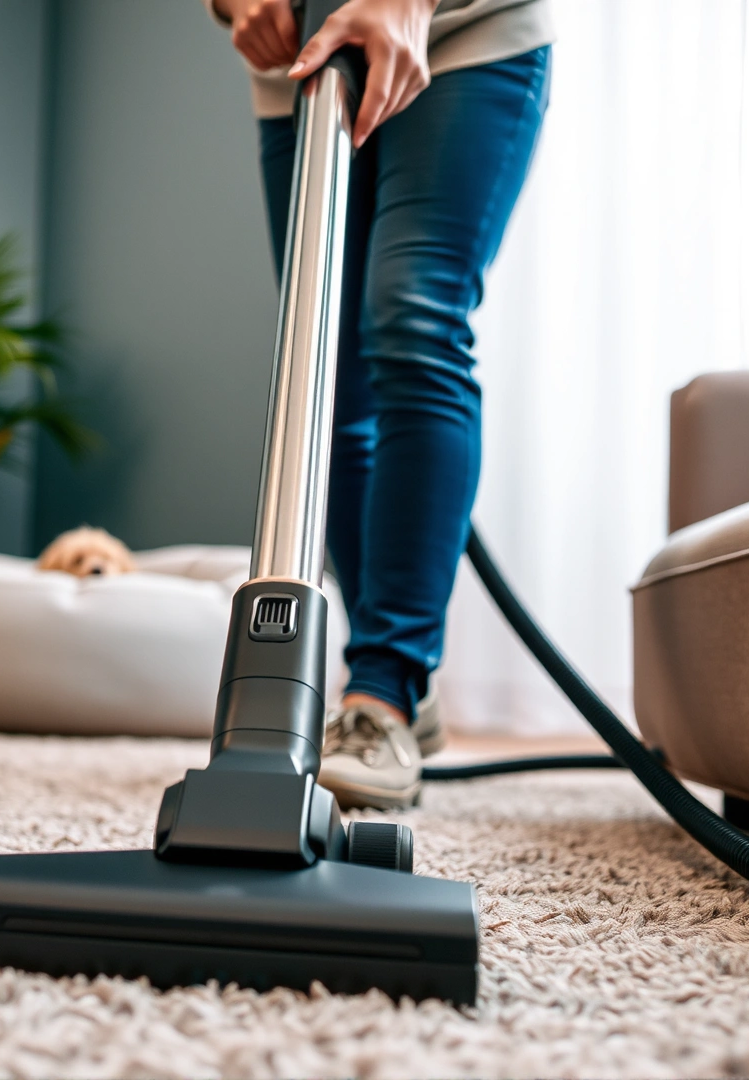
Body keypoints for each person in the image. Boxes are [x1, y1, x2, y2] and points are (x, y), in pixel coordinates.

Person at [205, 0, 553, 809]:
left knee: (413, 316)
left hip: (462, 37)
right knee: (322, 362)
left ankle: (382, 693)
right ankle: (386, 679)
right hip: (300, 58)